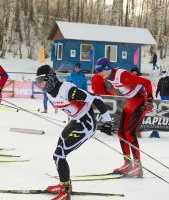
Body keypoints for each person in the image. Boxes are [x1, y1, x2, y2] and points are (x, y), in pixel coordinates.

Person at [35, 65, 112, 200]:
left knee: (59, 155)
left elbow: (97, 99)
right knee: (58, 152)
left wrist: (107, 122)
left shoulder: (68, 91)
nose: (39, 84)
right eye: (37, 81)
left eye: (41, 80)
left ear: (50, 78)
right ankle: (65, 184)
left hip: (86, 124)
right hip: (75, 122)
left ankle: (65, 191)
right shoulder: (49, 92)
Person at [92, 57, 153, 177]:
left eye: (101, 70)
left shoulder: (122, 75)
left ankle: (138, 166)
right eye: (97, 71)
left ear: (108, 68)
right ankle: (127, 163)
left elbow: (147, 82)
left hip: (140, 100)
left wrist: (150, 100)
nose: (99, 73)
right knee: (121, 133)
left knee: (129, 133)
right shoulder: (109, 77)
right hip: (130, 100)